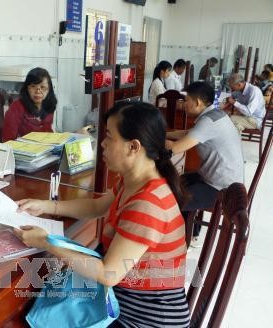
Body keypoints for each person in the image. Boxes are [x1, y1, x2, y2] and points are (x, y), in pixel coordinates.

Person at [14, 101, 190, 327]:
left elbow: (109, 273)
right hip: (125, 299)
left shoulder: (148, 203)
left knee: (41, 309)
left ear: (133, 147)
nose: (103, 144)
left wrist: (45, 242)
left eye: (109, 137)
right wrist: (47, 206)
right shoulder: (136, 180)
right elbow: (97, 207)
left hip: (144, 318)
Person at [166, 82, 244, 245]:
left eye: (186, 100)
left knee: (171, 198)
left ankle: (179, 242)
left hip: (222, 189)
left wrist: (154, 138)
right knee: (176, 182)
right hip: (218, 178)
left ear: (198, 102)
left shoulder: (207, 122)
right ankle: (191, 231)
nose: (183, 104)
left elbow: (176, 148)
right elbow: (190, 134)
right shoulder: (215, 114)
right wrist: (167, 134)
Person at [1, 67, 57, 141]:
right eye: (33, 86)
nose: (38, 91)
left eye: (42, 87)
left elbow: (47, 131)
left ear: (49, 89)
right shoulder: (16, 107)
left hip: (45, 148)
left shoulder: (48, 104)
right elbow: (8, 140)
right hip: (24, 150)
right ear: (27, 88)